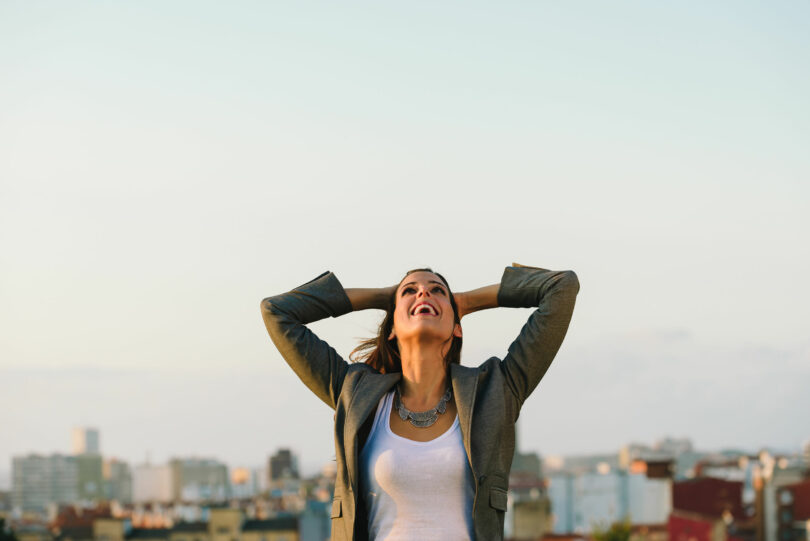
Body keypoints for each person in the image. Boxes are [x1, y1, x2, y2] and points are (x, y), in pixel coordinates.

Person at [261, 263, 579, 541]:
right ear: (391, 330)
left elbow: (561, 287)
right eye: (410, 291)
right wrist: (382, 296)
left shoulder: (495, 391)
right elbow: (277, 311)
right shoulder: (355, 393)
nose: (423, 293)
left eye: (437, 290)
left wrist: (465, 302)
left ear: (458, 326)